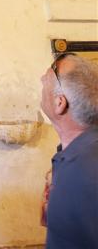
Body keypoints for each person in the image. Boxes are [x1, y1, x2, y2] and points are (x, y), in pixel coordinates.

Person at [40, 52, 98, 248]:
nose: (42, 79)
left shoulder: (85, 172)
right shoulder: (72, 156)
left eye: (51, 74)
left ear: (60, 102)